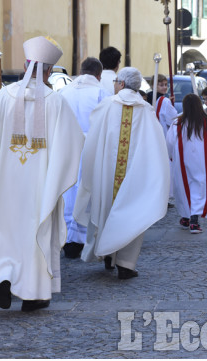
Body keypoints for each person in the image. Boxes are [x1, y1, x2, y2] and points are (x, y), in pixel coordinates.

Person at [0, 36, 84, 312]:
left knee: (4, 232)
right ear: (48, 71)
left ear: (24, 65)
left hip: (4, 186)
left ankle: (4, 278)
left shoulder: (2, 98)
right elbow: (74, 141)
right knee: (35, 233)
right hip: (40, 186)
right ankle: (33, 295)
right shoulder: (56, 103)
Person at [73, 67, 170, 279]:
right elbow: (155, 146)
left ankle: (108, 254)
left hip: (107, 172)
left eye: (116, 81)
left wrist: (91, 166)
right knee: (133, 212)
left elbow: (93, 141)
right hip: (136, 173)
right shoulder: (146, 110)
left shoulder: (107, 105)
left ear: (123, 84)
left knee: (106, 208)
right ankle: (126, 264)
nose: (114, 84)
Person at [58, 57, 109, 258]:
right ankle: (79, 239)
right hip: (91, 148)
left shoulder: (63, 91)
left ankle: (65, 237)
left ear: (80, 71)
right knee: (85, 191)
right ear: (98, 75)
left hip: (67, 146)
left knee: (67, 190)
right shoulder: (101, 93)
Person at [166, 93, 207, 234]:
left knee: (183, 189)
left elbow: (169, 143)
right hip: (201, 161)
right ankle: (192, 219)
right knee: (198, 189)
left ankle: (188, 217)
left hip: (182, 161)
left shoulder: (177, 124)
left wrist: (170, 156)